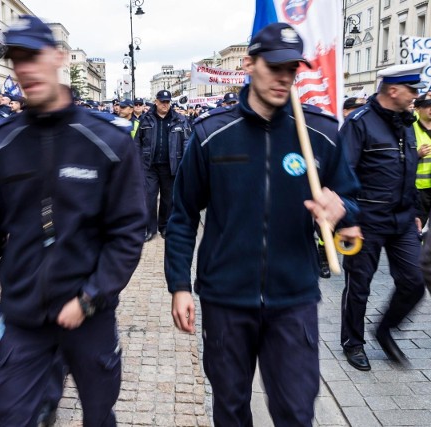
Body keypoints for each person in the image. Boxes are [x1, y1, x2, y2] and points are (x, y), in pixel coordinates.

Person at [165, 23, 360, 426]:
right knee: (231, 408)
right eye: (274, 66)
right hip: (226, 299)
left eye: (292, 68)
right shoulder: (210, 134)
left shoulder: (320, 134)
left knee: (295, 408)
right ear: (250, 64)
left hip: (294, 299)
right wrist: (179, 286)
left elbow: (351, 202)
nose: (284, 77)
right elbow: (182, 214)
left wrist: (341, 210)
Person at [0, 15, 146, 426]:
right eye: (16, 59)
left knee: (98, 412)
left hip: (88, 314)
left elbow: (129, 231)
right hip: (23, 314)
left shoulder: (110, 141)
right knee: (11, 411)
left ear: (58, 57)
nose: (25, 68)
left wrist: (90, 297)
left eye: (34, 56)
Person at [338, 63, 427, 371]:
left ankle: (385, 329)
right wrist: (348, 220)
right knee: (359, 285)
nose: (416, 96)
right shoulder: (360, 123)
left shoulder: (405, 123)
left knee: (415, 281)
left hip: (402, 220)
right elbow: (342, 173)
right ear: (393, 90)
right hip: (366, 220)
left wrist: (415, 211)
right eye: (413, 90)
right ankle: (353, 341)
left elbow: (408, 170)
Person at [136, 89, 191, 241]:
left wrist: (185, 162)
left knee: (168, 200)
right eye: (162, 102)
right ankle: (149, 228)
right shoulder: (146, 119)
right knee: (149, 198)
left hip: (171, 166)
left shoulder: (179, 119)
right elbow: (137, 142)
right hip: (150, 166)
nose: (165, 105)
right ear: (156, 102)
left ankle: (165, 226)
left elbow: (187, 142)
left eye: (167, 102)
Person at [412, 93, 431, 227]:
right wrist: (417, 154)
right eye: (427, 106)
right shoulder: (410, 127)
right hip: (418, 189)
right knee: (418, 226)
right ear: (418, 108)